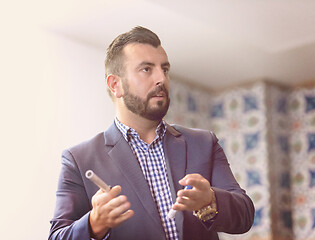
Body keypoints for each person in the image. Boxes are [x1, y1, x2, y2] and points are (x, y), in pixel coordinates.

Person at [49, 26, 254, 240]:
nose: (161, 79)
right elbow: (57, 236)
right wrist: (94, 224)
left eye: (164, 69)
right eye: (147, 69)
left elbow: (245, 215)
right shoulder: (78, 160)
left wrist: (210, 200)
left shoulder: (203, 142)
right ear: (115, 85)